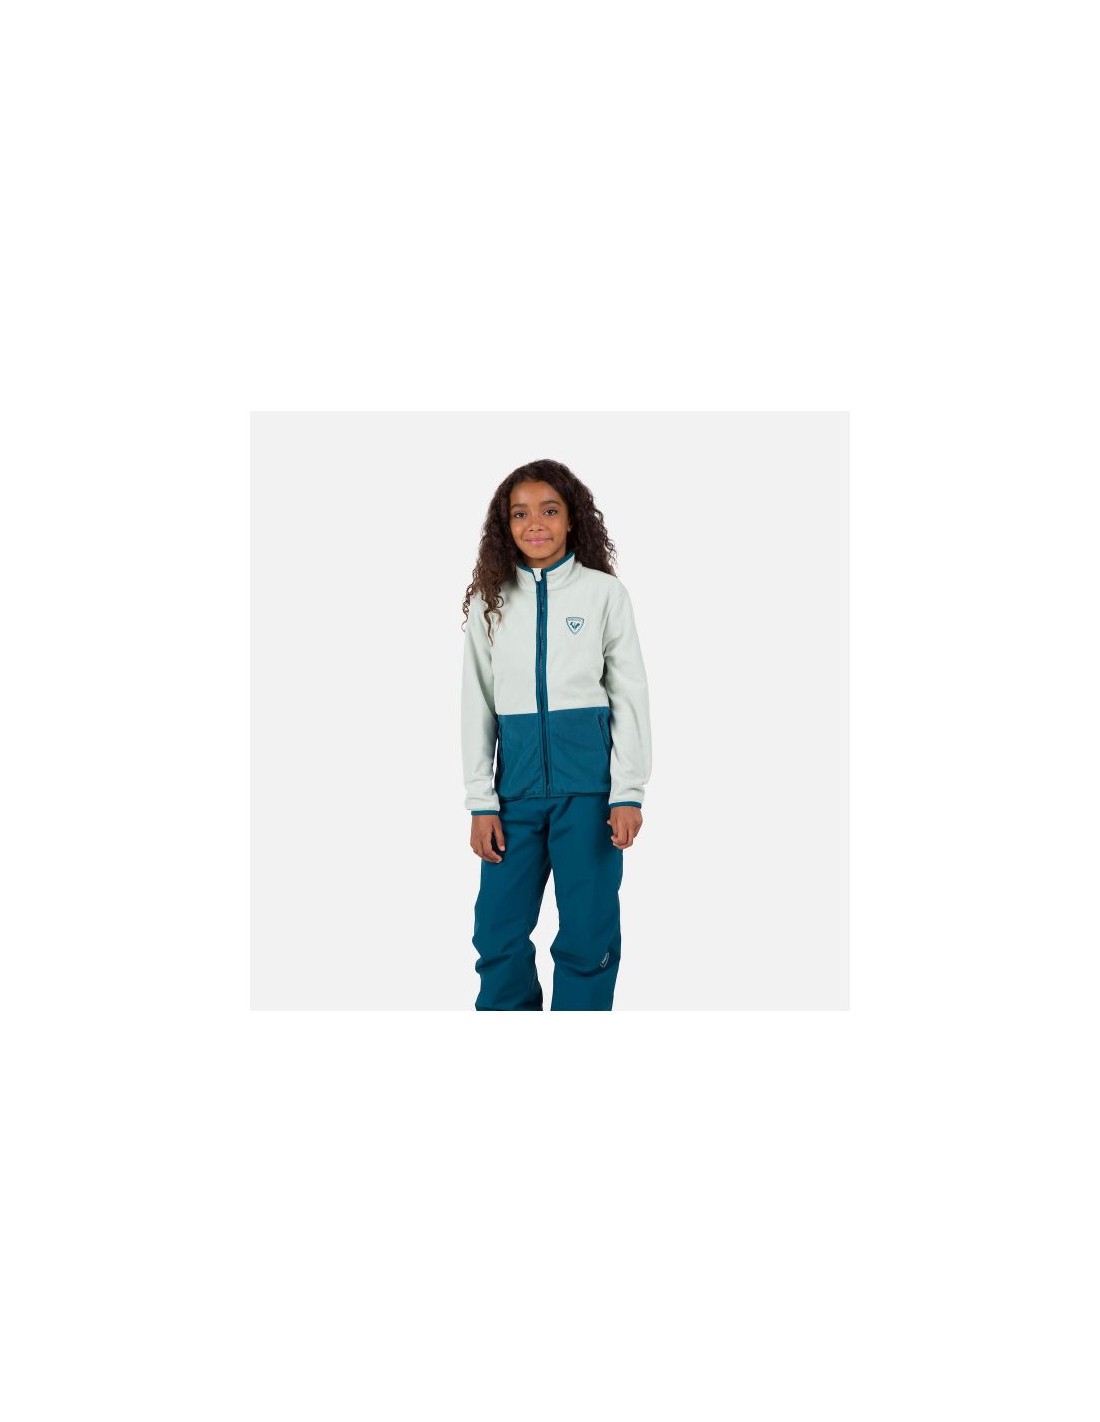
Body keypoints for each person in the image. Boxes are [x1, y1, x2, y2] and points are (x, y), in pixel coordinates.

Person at [460, 458, 652, 1010]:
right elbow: (477, 702)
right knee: (497, 933)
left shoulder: (603, 594)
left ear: (571, 519)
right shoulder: (491, 601)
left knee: (588, 933)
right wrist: (481, 801)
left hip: (589, 796)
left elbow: (629, 695)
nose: (535, 523)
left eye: (549, 510)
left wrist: (627, 792)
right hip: (514, 797)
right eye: (520, 513)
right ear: (505, 525)